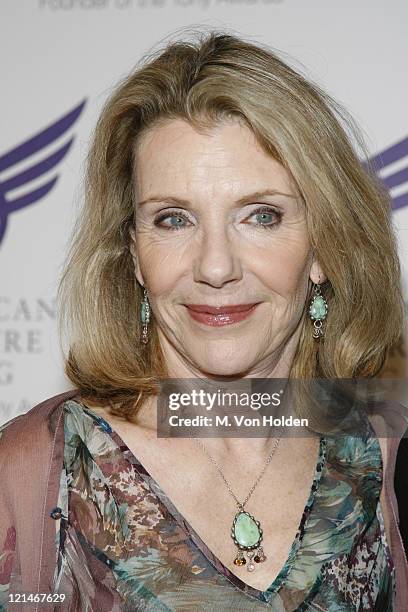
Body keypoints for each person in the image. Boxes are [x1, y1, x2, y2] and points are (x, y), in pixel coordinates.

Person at [1, 29, 407, 612]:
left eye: (261, 216)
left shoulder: (380, 448)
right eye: (173, 220)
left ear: (323, 248)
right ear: (135, 253)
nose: (215, 267)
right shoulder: (35, 471)